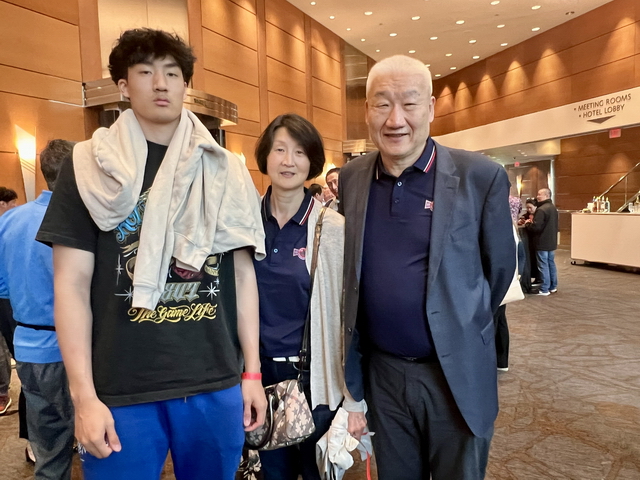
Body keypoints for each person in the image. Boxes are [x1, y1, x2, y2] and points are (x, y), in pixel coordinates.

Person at [36, 29, 267, 480]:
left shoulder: (225, 168)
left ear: (185, 85)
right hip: (120, 388)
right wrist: (84, 397)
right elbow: (70, 285)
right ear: (123, 85)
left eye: (172, 74)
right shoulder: (88, 166)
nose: (160, 84)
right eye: (145, 72)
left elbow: (242, 277)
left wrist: (253, 374)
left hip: (213, 380)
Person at [339, 55, 514, 479]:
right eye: (383, 104)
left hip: (454, 375)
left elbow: (499, 272)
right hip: (383, 376)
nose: (395, 119)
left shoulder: (480, 177)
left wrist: (458, 324)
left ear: (431, 108)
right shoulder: (352, 177)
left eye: (409, 103)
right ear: (367, 110)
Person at [253, 114, 366, 480]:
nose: (289, 161)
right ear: (265, 156)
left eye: (299, 152)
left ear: (312, 161)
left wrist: (354, 399)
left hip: (313, 381)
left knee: (317, 474)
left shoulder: (332, 229)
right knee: (271, 475)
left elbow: (352, 318)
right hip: (256, 378)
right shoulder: (244, 223)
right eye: (280, 150)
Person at [0, 140, 76, 479]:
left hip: (27, 349)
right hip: (72, 351)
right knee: (99, 448)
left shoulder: (9, 221)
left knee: (49, 455)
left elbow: (2, 287)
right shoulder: (80, 220)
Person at [0, 186, 17, 417]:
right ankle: (2, 392)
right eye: (12, 204)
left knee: (8, 347)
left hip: (7, 296)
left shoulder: (11, 226)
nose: (15, 208)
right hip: (6, 297)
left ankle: (3, 392)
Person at [526, 188, 559, 296]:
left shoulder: (541, 210)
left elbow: (536, 227)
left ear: (546, 195)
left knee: (543, 265)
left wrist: (528, 224)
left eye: (539, 194)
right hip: (551, 242)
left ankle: (544, 289)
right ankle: (553, 287)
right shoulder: (553, 208)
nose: (537, 196)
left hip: (542, 242)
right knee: (551, 264)